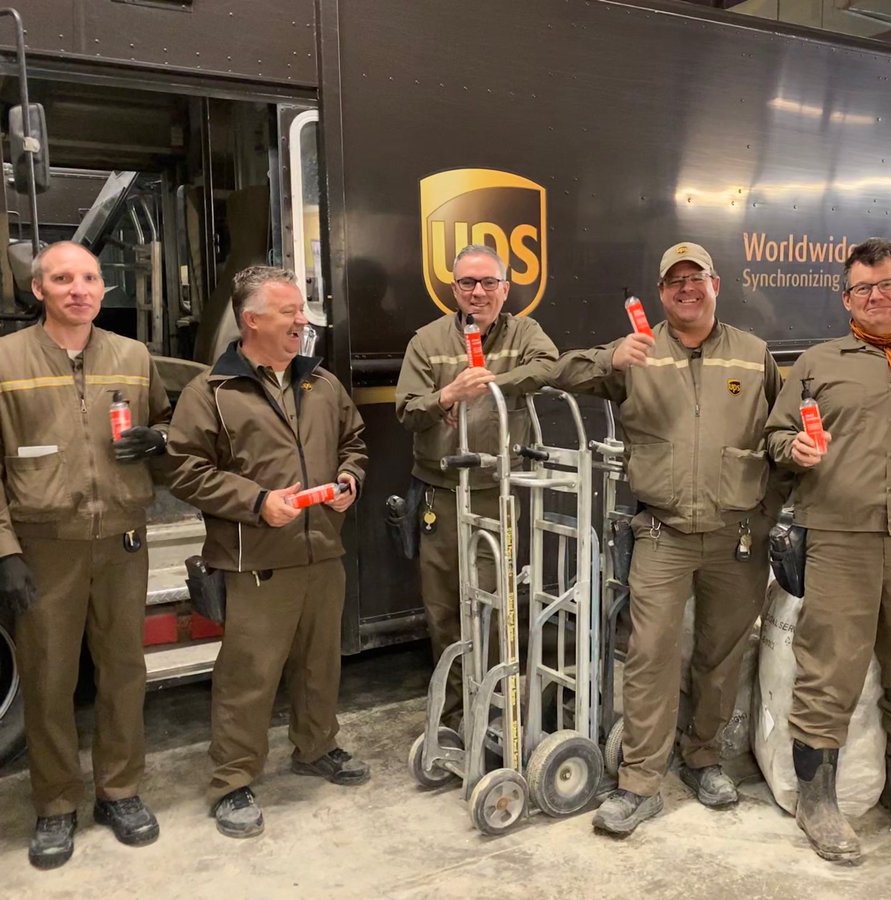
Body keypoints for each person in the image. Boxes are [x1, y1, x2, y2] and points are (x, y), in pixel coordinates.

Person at [553, 241, 782, 836]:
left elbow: (782, 435)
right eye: (674, 280)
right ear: (660, 293)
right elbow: (562, 371)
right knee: (650, 656)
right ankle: (640, 783)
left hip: (737, 536)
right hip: (662, 531)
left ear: (716, 283)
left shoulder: (755, 355)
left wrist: (769, 515)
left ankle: (704, 757)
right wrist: (612, 362)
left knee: (720, 654)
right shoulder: (637, 349)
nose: (686, 288)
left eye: (696, 277)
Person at [764, 237, 891, 864]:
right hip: (838, 537)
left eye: (887, 284)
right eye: (862, 288)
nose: (876, 296)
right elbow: (777, 434)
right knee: (829, 670)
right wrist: (790, 449)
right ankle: (817, 800)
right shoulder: (817, 363)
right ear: (845, 298)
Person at [166, 265, 368, 839]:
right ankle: (231, 781)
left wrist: (350, 479)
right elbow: (184, 469)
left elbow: (354, 441)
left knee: (319, 662)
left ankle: (316, 746)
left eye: (302, 310)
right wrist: (257, 501)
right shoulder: (213, 393)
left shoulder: (322, 384)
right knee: (248, 676)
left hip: (323, 551)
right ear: (251, 319)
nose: (302, 320)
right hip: (254, 558)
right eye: (290, 312)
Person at [0, 241, 170, 869]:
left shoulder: (132, 354)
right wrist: (4, 550)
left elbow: (166, 424)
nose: (79, 288)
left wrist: (160, 439)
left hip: (123, 538)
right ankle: (54, 804)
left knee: (125, 672)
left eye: (90, 278)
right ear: (38, 289)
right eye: (63, 278)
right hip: (45, 546)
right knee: (49, 679)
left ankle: (119, 792)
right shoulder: (5, 359)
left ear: (103, 289)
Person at [395, 244, 558, 725]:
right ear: (454, 289)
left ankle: (495, 708)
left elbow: (549, 367)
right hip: (439, 494)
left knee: (494, 602)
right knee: (444, 608)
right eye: (468, 283)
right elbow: (406, 409)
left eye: (489, 283)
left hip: (494, 492)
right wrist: (447, 393)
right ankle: (455, 715)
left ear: (506, 289)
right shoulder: (427, 340)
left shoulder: (524, 331)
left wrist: (490, 383)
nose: (478, 292)